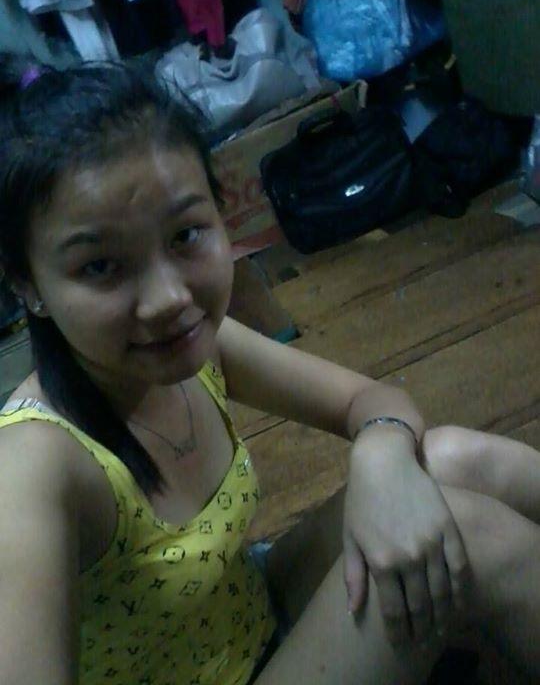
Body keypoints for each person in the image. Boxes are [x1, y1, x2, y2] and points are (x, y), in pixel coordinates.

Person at [0, 57, 538, 685]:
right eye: (99, 267)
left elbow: (367, 401)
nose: (168, 297)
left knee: (450, 460)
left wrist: (381, 454)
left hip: (255, 610)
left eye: (185, 235)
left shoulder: (196, 349)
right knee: (471, 538)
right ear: (27, 285)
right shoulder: (32, 467)